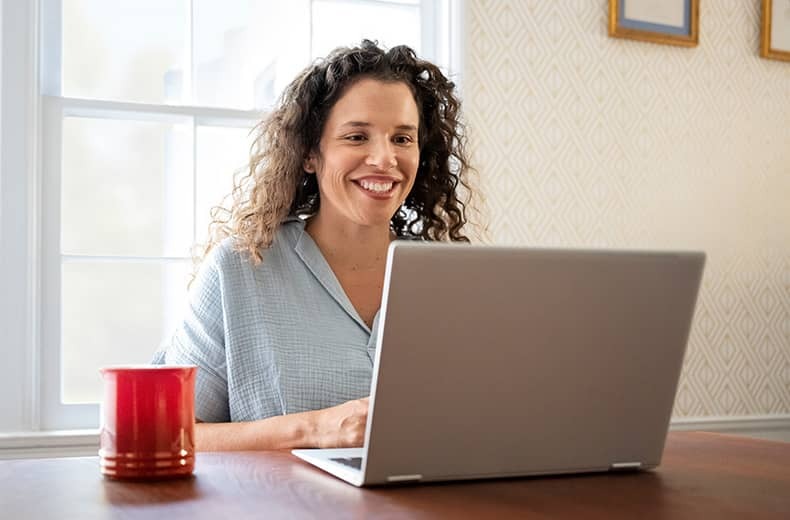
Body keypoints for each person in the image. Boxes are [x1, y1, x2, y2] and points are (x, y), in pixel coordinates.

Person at [154, 39, 477, 451]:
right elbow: (164, 434)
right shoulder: (238, 271)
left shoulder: (457, 279)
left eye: (402, 139)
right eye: (357, 137)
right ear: (310, 153)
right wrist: (314, 430)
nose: (384, 159)